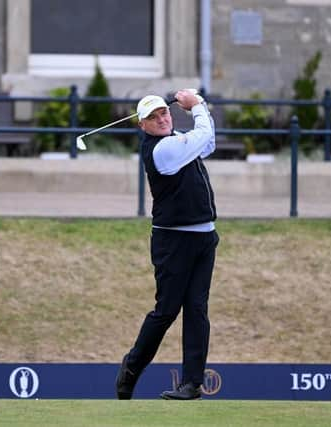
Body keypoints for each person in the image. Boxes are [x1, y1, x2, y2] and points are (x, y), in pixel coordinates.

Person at [115, 89, 219, 400]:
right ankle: (132, 368)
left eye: (164, 113)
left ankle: (191, 383)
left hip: (204, 235)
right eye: (152, 117)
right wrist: (197, 104)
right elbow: (202, 136)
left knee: (198, 309)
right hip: (173, 240)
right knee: (167, 311)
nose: (161, 119)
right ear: (141, 125)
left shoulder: (178, 141)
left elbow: (208, 141)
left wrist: (189, 104)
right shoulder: (162, 151)